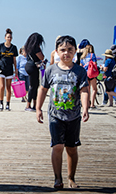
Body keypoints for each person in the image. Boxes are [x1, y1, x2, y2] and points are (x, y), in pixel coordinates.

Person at [36, 35, 89, 189]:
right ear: (57, 51)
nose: (66, 53)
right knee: (57, 146)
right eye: (63, 50)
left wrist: (86, 108)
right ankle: (57, 178)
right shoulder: (50, 70)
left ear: (75, 51)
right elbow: (43, 89)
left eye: (70, 50)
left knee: (72, 148)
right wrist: (38, 108)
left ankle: (71, 178)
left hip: (74, 115)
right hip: (55, 115)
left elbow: (84, 90)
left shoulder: (80, 71)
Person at [0, 28, 18, 111]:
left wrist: (16, 69)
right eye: (8, 37)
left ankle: (7, 104)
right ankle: (1, 103)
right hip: (1, 68)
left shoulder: (14, 48)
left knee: (8, 87)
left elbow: (14, 60)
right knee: (2, 86)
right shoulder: (0, 46)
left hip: (9, 69)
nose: (9, 38)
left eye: (10, 37)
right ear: (5, 37)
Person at [24, 33, 46, 111]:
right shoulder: (36, 47)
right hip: (33, 66)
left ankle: (34, 104)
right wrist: (39, 48)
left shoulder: (28, 47)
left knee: (34, 85)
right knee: (34, 86)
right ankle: (28, 105)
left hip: (28, 65)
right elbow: (42, 57)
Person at [80, 44, 98, 109]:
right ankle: (92, 104)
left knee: (87, 90)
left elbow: (81, 66)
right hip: (91, 73)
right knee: (94, 89)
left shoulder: (83, 56)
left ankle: (87, 104)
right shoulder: (92, 55)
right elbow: (95, 63)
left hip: (85, 74)